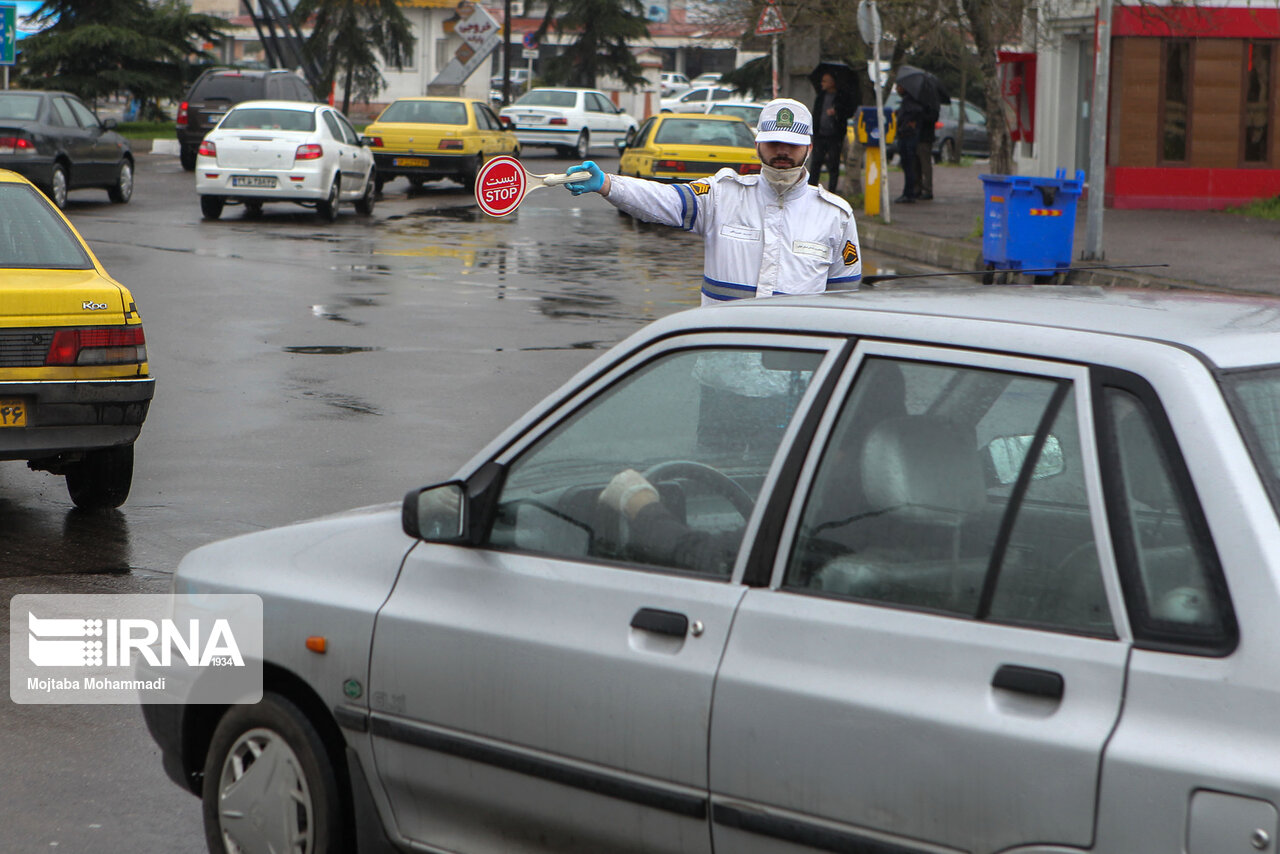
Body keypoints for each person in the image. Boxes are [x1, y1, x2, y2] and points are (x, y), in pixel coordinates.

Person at [562, 98, 862, 304]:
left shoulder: (836, 215)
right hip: (723, 374)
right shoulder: (722, 195)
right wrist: (608, 184)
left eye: (793, 144)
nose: (782, 151)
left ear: (808, 147)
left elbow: (843, 302)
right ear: (757, 144)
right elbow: (665, 200)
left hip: (797, 378)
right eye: (773, 143)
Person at [808, 72, 857, 193]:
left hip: (834, 136)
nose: (822, 83)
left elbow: (849, 112)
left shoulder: (841, 96)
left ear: (832, 83)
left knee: (833, 164)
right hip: (820, 134)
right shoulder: (821, 96)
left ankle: (832, 190)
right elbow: (816, 113)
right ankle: (811, 188)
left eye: (825, 81)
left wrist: (837, 112)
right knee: (816, 163)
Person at [894, 82, 926, 204]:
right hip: (907, 134)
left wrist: (909, 123)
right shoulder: (909, 100)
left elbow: (915, 112)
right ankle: (909, 192)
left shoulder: (910, 100)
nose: (897, 89)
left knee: (908, 165)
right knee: (908, 165)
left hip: (907, 135)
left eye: (899, 87)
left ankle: (909, 193)